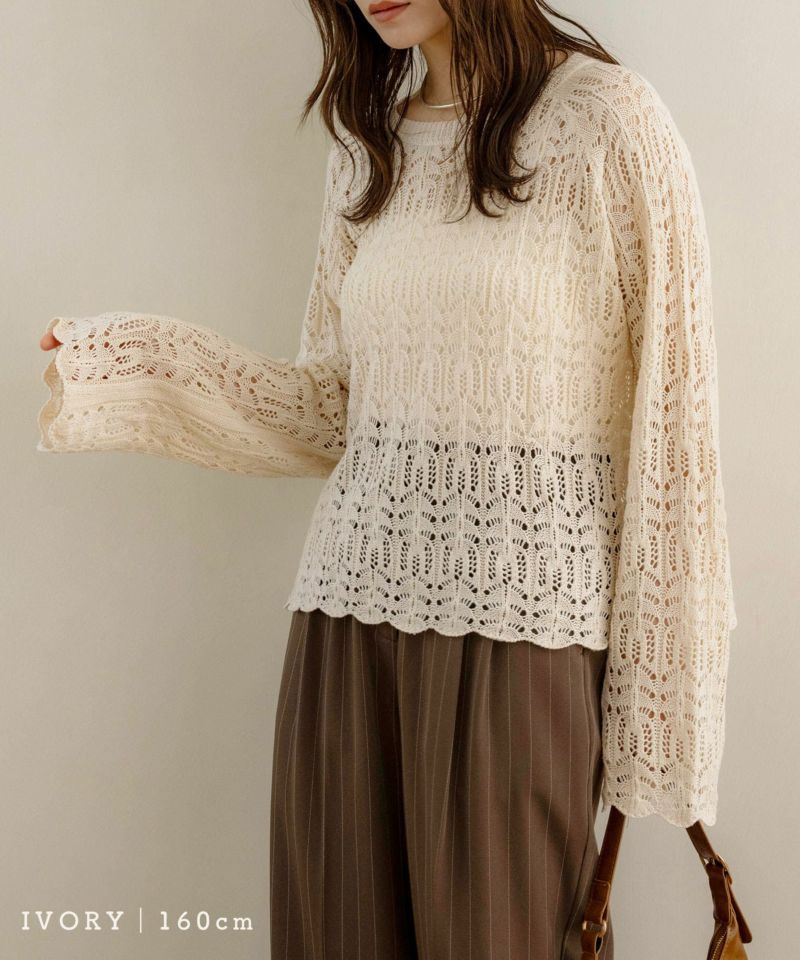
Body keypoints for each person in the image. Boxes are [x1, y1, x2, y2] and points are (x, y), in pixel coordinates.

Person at [38, 2, 739, 958]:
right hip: (343, 629)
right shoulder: (366, 151)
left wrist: (661, 705)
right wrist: (138, 360)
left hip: (523, 641)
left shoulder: (606, 120)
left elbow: (677, 429)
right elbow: (334, 409)